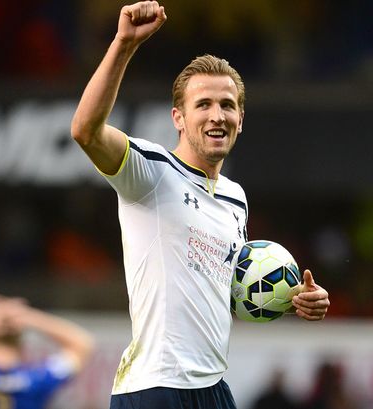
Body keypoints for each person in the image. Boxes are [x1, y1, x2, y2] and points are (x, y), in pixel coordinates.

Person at [70, 1, 330, 408]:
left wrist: (292, 299)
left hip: (212, 386)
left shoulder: (235, 198)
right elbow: (85, 130)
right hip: (155, 387)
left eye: (227, 105)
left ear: (241, 118)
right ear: (178, 117)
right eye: (203, 104)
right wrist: (123, 44)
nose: (217, 115)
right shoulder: (152, 172)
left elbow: (223, 290)